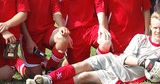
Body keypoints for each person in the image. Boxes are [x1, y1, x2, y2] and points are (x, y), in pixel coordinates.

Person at [26, 11, 160, 84]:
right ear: (150, 27)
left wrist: (151, 68)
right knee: (82, 65)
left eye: (159, 28)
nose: (157, 31)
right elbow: (125, 57)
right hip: (113, 60)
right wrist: (144, 62)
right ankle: (48, 79)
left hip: (123, 74)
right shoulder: (140, 38)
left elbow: (153, 74)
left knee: (85, 76)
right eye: (155, 27)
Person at [21, 0, 71, 78]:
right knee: (33, 74)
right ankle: (18, 63)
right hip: (29, 34)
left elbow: (56, 11)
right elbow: (21, 18)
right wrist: (28, 40)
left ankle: (50, 67)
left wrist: (62, 27)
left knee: (63, 38)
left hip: (47, 32)